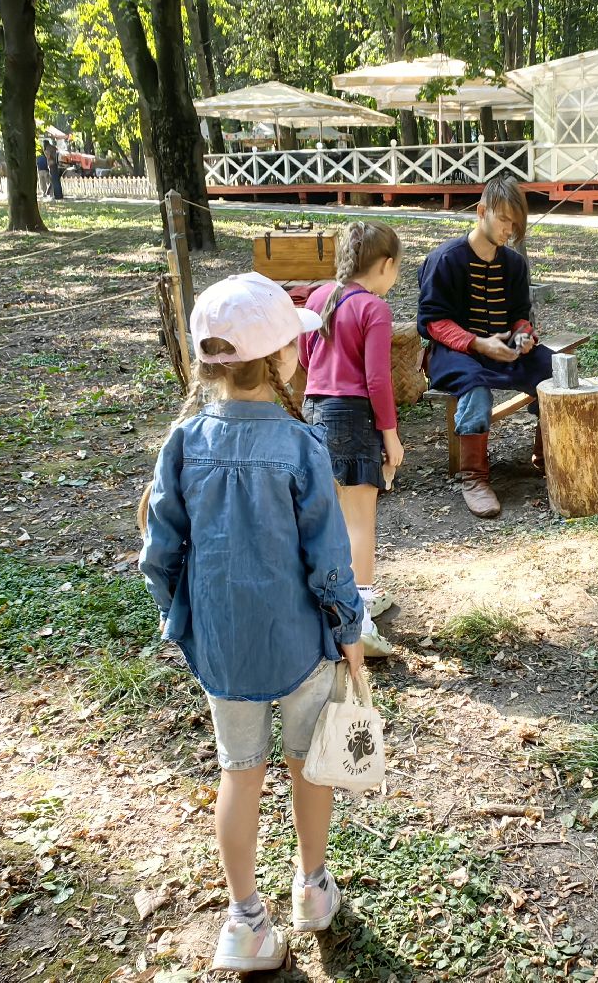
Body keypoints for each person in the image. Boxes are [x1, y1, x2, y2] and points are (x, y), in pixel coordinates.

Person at [139, 272, 364, 973]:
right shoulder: (302, 446)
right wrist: (349, 634)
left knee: (239, 774)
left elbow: (160, 555)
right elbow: (330, 563)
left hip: (224, 653)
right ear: (282, 359)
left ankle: (244, 924)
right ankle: (313, 891)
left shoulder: (181, 443)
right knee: (309, 767)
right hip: (301, 644)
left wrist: (186, 624)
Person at [418, 177, 551, 518]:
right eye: (504, 219)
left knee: (553, 371)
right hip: (454, 354)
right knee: (475, 390)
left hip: (503, 349)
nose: (510, 229)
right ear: (482, 212)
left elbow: (522, 316)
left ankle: (547, 455)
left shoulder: (514, 264)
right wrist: (477, 343)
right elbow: (433, 321)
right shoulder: (445, 259)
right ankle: (474, 478)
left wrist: (522, 338)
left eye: (515, 222)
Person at [301, 222, 403, 656]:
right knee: (361, 521)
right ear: (385, 265)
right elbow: (378, 380)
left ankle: (336, 602)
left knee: (332, 517)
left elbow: (306, 356)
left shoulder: (319, 297)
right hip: (354, 417)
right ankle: (356, 619)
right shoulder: (374, 309)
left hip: (315, 411)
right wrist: (392, 437)